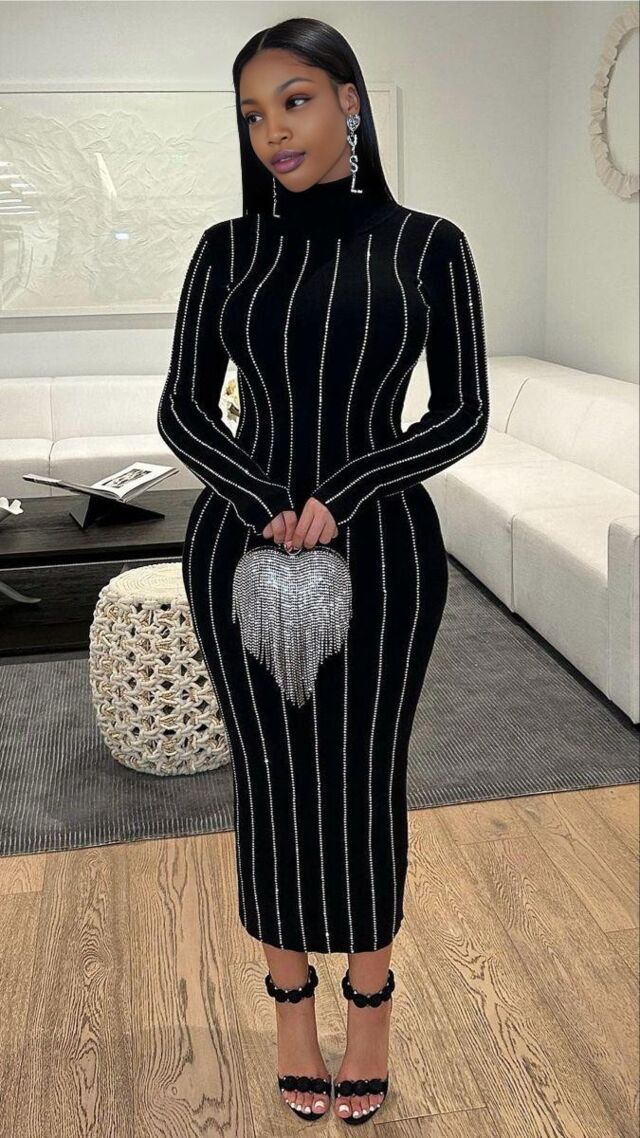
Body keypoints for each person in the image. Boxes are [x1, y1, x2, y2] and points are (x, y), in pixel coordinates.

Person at [157, 15, 490, 1126]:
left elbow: (462, 412)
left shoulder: (429, 245)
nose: (272, 131)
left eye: (294, 100)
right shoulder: (227, 249)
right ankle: (291, 1008)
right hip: (236, 549)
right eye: (253, 113)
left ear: (349, 100)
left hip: (386, 551)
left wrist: (344, 491)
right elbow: (183, 409)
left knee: (362, 774)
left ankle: (372, 1002)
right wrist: (258, 498)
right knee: (270, 778)